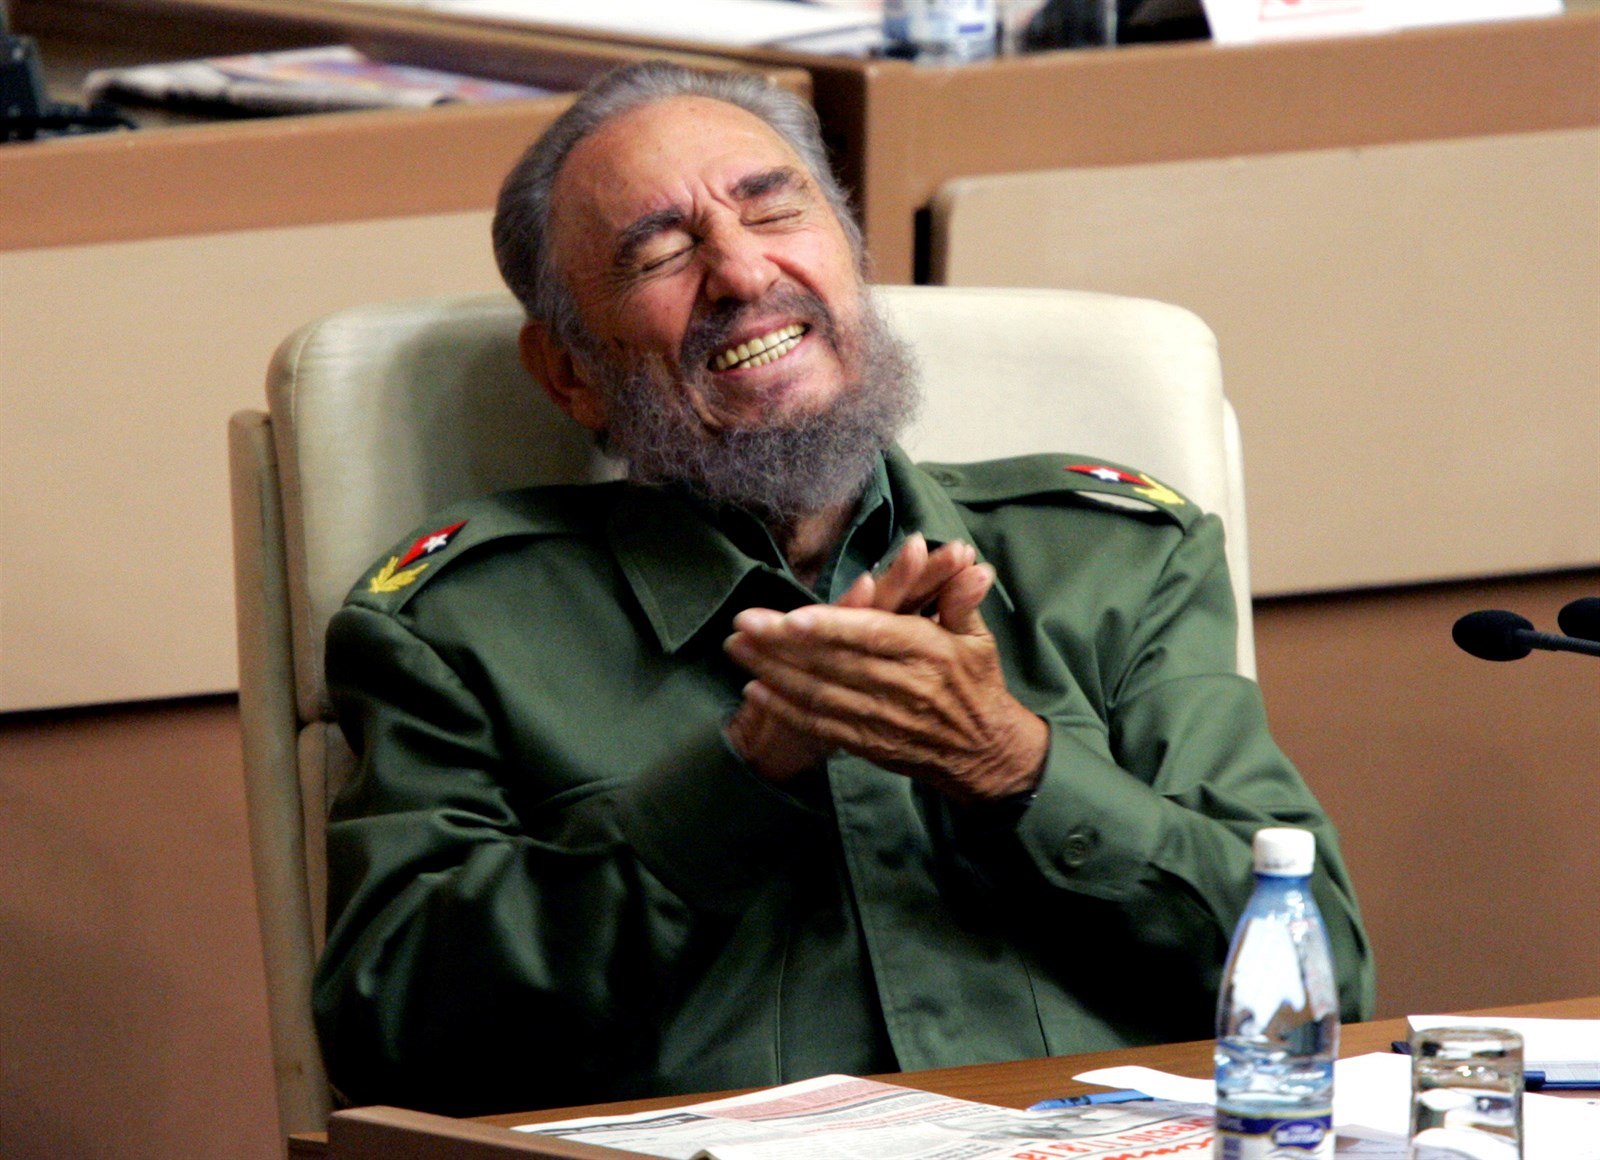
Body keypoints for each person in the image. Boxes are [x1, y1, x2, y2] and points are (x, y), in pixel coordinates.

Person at [313, 60, 1374, 1118]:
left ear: (853, 263)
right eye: (661, 252)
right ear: (570, 373)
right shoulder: (462, 626)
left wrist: (1014, 765)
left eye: (775, 210)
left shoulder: (1111, 560)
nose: (741, 272)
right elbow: (394, 1036)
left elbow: (1318, 976)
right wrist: (738, 778)